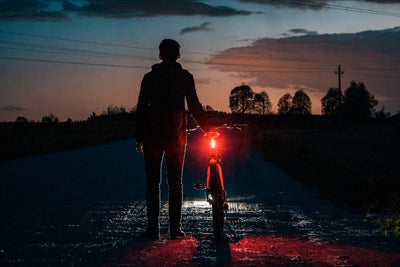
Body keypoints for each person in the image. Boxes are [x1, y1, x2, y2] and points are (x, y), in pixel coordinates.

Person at [136, 39, 208, 239]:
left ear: (160, 55)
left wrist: (139, 137)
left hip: (152, 136)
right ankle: (175, 230)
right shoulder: (185, 77)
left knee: (153, 183)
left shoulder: (149, 78)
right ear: (178, 56)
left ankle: (153, 229)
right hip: (176, 137)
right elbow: (194, 106)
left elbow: (141, 109)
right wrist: (207, 128)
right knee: (175, 182)